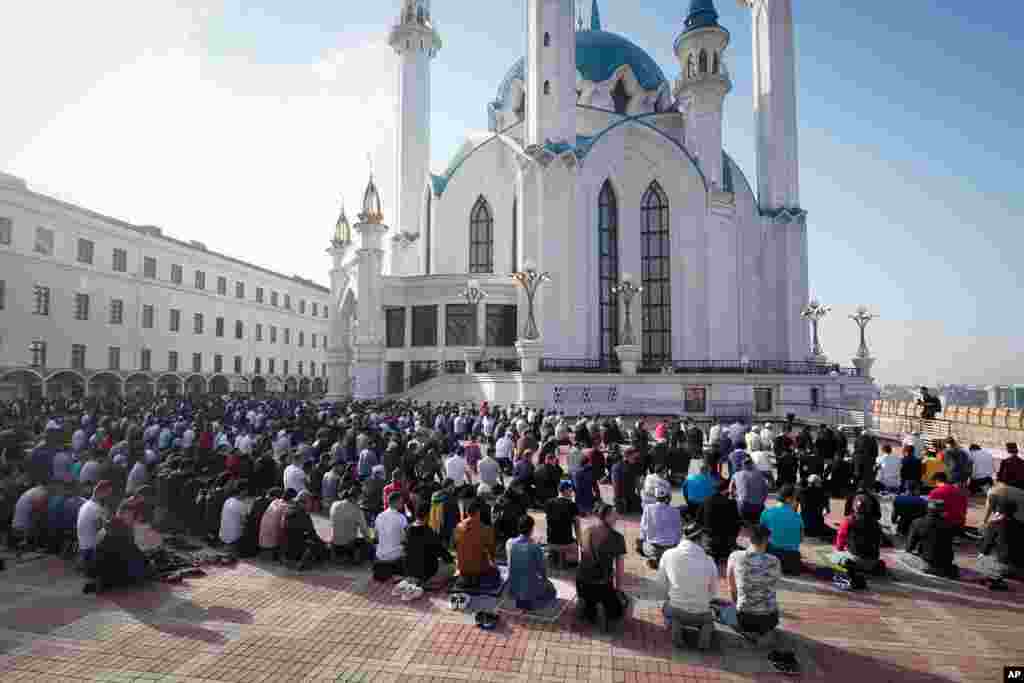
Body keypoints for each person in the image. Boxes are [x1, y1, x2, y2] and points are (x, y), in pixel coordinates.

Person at [655, 522, 718, 651]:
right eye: (706, 537)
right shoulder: (709, 561)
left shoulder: (668, 554)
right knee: (708, 620)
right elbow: (713, 593)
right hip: (701, 613)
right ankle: (704, 635)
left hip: (676, 608)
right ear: (699, 539)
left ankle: (676, 624)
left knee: (669, 609)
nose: (708, 540)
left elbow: (661, 584)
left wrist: (671, 596)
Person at [723, 524, 782, 640]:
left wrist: (737, 605)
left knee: (723, 611)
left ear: (749, 539)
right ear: (767, 540)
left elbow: (732, 588)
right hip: (770, 619)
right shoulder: (775, 561)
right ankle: (763, 632)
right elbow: (772, 587)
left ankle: (746, 632)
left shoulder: (735, 556)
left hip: (745, 618)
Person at [576, 503, 628, 627]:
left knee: (590, 608)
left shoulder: (586, 531)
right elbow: (620, 569)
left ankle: (588, 606)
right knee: (620, 608)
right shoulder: (617, 537)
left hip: (582, 583)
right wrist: (619, 590)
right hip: (602, 585)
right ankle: (604, 609)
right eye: (614, 514)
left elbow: (581, 558)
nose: (617, 517)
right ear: (606, 517)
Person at [84, 498, 151, 594]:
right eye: (131, 515)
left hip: (100, 566)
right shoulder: (119, 526)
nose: (133, 519)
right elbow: (131, 550)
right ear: (123, 513)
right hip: (109, 566)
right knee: (142, 567)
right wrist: (146, 562)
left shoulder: (113, 523)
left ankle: (105, 580)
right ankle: (110, 580)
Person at [507, 515, 557, 610]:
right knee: (552, 589)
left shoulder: (509, 543)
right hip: (530, 592)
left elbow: (511, 565)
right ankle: (533, 602)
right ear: (531, 529)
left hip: (513, 589)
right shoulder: (535, 547)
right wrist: (546, 581)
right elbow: (542, 572)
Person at [904, 499, 958, 578]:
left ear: (927, 510)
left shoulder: (917, 522)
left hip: (927, 564)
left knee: (904, 556)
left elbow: (909, 547)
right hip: (946, 565)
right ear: (943, 512)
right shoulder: (950, 525)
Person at [404, 499, 453, 586]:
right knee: (451, 567)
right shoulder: (428, 532)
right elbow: (442, 553)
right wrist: (451, 560)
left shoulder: (408, 528)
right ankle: (428, 581)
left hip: (410, 571)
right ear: (427, 515)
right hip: (426, 573)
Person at [453, 498, 500, 590]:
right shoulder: (486, 529)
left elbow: (455, 547)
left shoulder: (458, 527)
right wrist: (493, 564)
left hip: (462, 569)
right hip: (480, 569)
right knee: (496, 573)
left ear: (467, 512)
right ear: (478, 513)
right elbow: (492, 552)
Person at [976, 499, 1023, 590]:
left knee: (982, 557)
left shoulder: (994, 524)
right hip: (1020, 568)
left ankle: (992, 577)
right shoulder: (1021, 525)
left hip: (1004, 568)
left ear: (997, 512)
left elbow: (985, 549)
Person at [833, 495, 885, 575]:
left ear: (854, 506)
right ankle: (873, 567)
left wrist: (839, 550)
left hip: (855, 559)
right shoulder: (876, 524)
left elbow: (841, 539)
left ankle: (850, 564)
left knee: (835, 556)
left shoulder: (849, 521)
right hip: (872, 562)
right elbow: (879, 542)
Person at [760, 485, 803, 575]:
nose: (797, 502)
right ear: (788, 499)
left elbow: (760, 537)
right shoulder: (798, 517)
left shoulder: (767, 512)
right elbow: (800, 539)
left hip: (771, 558)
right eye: (796, 499)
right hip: (791, 561)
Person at [639, 486, 683, 569]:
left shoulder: (648, 509)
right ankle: (667, 560)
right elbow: (679, 532)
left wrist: (641, 542)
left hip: (653, 547)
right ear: (667, 498)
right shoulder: (675, 511)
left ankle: (655, 558)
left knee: (640, 543)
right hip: (671, 548)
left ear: (656, 498)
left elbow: (643, 530)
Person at [76, 480, 112, 574]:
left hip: (84, 549)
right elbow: (103, 531)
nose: (109, 497)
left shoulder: (87, 505)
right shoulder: (95, 509)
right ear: (100, 493)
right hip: (91, 552)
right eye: (107, 494)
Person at [703, 479, 742, 564]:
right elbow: (737, 521)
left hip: (711, 535)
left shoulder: (706, 500)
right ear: (726, 489)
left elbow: (699, 518)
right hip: (726, 538)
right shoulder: (731, 503)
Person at [330, 486, 371, 565]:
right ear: (356, 497)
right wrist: (371, 541)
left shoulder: (334, 504)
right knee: (367, 541)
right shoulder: (357, 510)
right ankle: (356, 559)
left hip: (334, 543)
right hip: (348, 545)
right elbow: (364, 531)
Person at [544, 481, 582, 567]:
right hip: (566, 542)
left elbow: (547, 521)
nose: (572, 493)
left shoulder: (548, 502)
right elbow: (577, 525)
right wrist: (579, 542)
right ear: (565, 491)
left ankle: (555, 557)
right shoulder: (572, 505)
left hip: (551, 541)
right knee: (574, 562)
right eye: (571, 490)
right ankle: (566, 560)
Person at [259, 488, 292, 561]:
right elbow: (283, 526)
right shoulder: (285, 507)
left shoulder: (275, 501)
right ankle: (283, 556)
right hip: (271, 543)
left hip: (262, 539)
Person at [730, 460, 768, 524]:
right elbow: (765, 490)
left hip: (743, 506)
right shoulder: (760, 474)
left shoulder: (736, 474)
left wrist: (736, 495)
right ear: (752, 465)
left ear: (742, 465)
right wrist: (761, 501)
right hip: (759, 506)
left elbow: (730, 490)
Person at [796, 475, 833, 540]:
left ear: (808, 482)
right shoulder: (823, 493)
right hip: (818, 527)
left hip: (804, 526)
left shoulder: (801, 492)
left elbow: (794, 509)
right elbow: (828, 511)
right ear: (817, 483)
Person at [218, 481, 249, 554]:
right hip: (233, 538)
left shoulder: (228, 500)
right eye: (246, 491)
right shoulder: (241, 505)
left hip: (223, 535)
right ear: (243, 491)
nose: (247, 493)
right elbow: (245, 521)